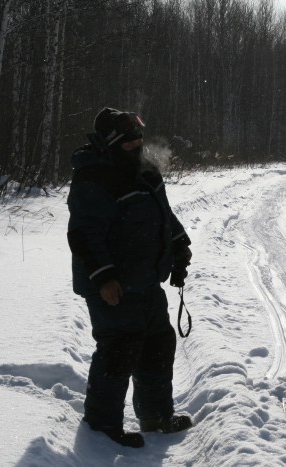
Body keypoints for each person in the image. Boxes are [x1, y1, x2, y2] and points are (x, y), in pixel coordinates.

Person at [67, 107, 193, 448]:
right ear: (110, 143)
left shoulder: (146, 170)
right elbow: (83, 234)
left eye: (139, 137)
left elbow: (162, 213)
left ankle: (155, 415)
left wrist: (179, 245)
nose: (138, 144)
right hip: (115, 286)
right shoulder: (94, 177)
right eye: (129, 141)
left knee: (157, 345)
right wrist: (104, 278)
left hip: (147, 280)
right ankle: (102, 426)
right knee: (119, 349)